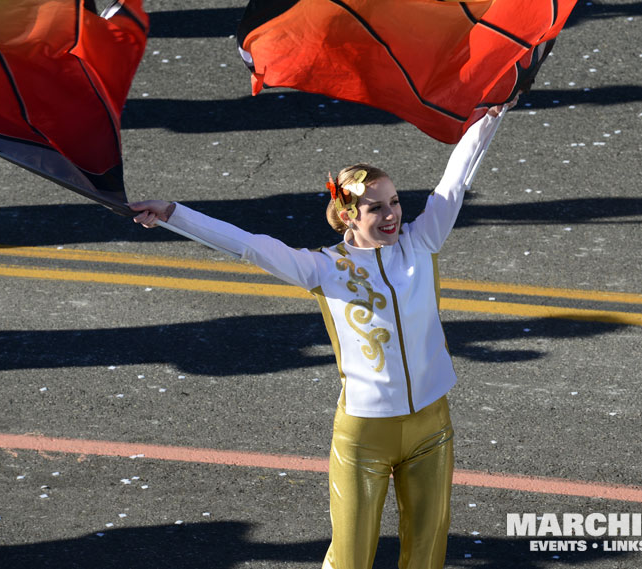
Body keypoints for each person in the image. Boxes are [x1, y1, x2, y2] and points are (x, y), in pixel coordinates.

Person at [130, 99, 515, 569]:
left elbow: (455, 180)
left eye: (394, 201)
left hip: (432, 425)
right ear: (348, 215)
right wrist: (173, 214)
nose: (392, 214)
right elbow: (250, 246)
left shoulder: (422, 242)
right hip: (364, 436)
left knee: (428, 553)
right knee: (352, 558)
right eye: (376, 207)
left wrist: (490, 116)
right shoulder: (323, 267)